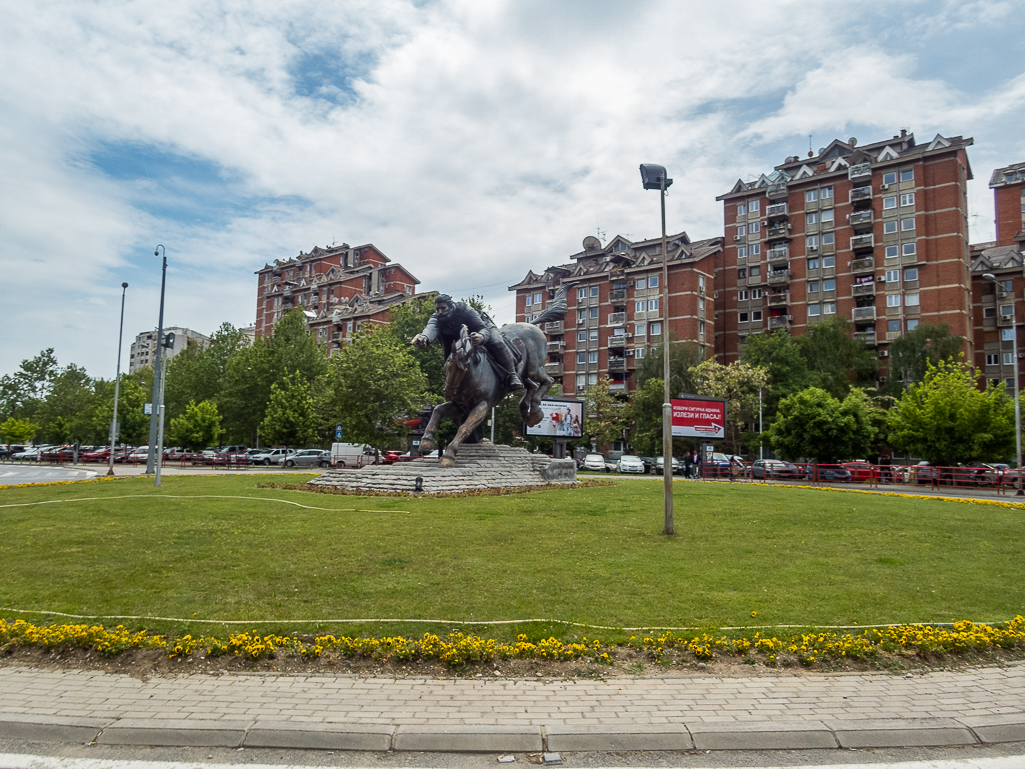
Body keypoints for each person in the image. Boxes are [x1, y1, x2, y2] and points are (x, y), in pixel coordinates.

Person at [412, 294, 523, 390]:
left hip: (483, 327)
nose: (440, 311)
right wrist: (424, 338)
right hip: (458, 337)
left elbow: (483, 328)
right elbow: (431, 328)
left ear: (451, 306)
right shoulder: (437, 317)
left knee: (497, 343)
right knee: (451, 360)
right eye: (438, 309)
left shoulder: (465, 310)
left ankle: (513, 375)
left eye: (443, 308)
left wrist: (482, 337)